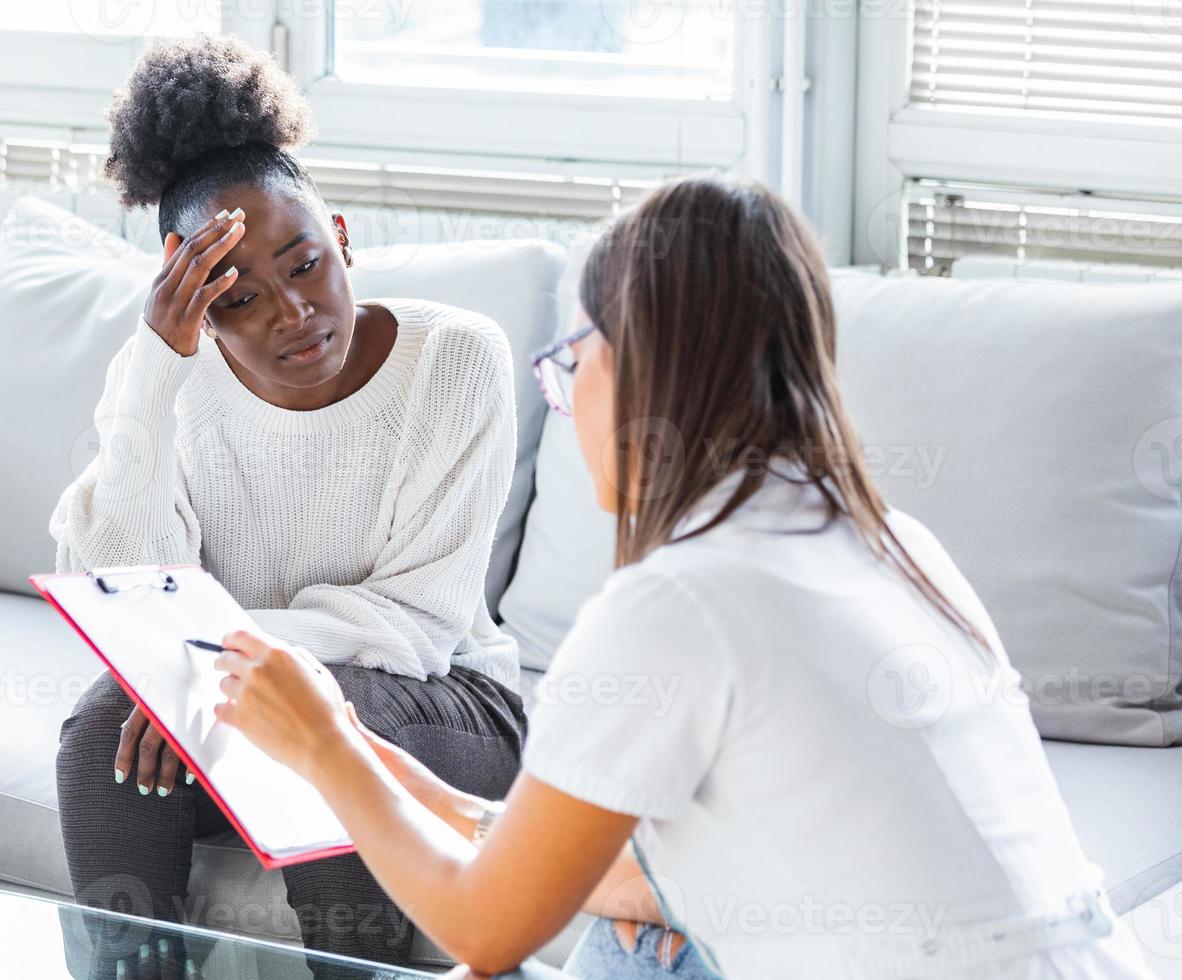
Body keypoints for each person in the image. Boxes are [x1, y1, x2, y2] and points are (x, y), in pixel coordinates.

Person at [208, 175, 1158, 979]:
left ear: (641, 369)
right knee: (646, 922)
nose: (568, 395)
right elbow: (603, 856)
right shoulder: (888, 542)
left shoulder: (679, 604)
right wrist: (388, 769)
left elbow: (486, 926)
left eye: (570, 361)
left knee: (622, 946)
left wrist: (327, 744)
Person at [48, 34, 528, 976]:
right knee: (105, 725)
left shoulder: (457, 361)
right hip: (238, 702)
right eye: (239, 299)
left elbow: (418, 625)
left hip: (447, 706)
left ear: (342, 238)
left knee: (324, 718)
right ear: (196, 308)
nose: (292, 313)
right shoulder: (166, 379)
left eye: (306, 265)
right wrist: (156, 369)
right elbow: (117, 592)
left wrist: (213, 672)